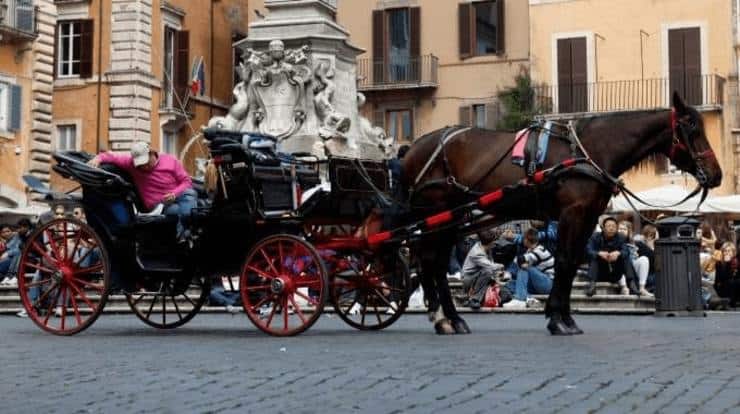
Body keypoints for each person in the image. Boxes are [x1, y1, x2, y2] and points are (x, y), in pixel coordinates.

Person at [89, 141, 195, 238]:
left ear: (152, 153)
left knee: (190, 194)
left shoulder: (170, 160)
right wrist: (98, 158)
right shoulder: (131, 164)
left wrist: (174, 194)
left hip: (179, 195)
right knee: (182, 210)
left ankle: (185, 232)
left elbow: (187, 182)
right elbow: (111, 156)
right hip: (160, 205)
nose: (144, 167)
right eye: (140, 164)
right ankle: (185, 235)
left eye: (146, 162)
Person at [585, 216, 639, 297]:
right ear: (603, 228)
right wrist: (599, 254)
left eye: (613, 226)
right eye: (609, 226)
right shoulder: (595, 237)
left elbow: (626, 251)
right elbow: (588, 251)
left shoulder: (621, 237)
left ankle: (631, 284)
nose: (611, 228)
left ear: (616, 228)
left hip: (615, 273)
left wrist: (618, 253)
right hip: (599, 273)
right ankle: (592, 285)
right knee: (595, 257)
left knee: (625, 257)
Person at [503, 229, 554, 309]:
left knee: (525, 268)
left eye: (523, 238)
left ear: (526, 240)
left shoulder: (540, 250)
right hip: (537, 284)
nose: (522, 240)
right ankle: (529, 299)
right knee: (509, 284)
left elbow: (520, 260)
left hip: (549, 284)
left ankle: (520, 299)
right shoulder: (530, 250)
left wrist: (508, 272)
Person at [461, 229, 504, 310]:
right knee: (487, 271)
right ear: (490, 242)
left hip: (478, 276)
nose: (495, 243)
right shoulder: (477, 253)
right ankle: (474, 299)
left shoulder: (486, 248)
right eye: (494, 241)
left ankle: (473, 299)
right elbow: (490, 266)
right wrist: (501, 266)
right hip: (468, 278)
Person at [618, 221, 653, 297]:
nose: (621, 231)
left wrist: (649, 245)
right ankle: (624, 288)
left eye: (624, 229)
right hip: (620, 269)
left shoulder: (635, 243)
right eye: (619, 229)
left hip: (633, 268)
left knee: (644, 259)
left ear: (628, 231)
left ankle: (642, 288)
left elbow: (651, 256)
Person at [0, 219, 32, 287]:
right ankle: (9, 276)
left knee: (18, 253)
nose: (6, 233)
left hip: (19, 258)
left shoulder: (18, 236)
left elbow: (18, 249)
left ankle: (11, 276)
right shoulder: (14, 237)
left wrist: (7, 253)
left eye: (8, 231)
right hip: (10, 259)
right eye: (3, 232)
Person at [714, 242, 740, 307]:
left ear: (733, 252)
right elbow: (720, 279)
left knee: (734, 282)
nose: (727, 253)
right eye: (725, 251)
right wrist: (727, 264)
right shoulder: (719, 264)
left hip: (735, 288)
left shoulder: (737, 263)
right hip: (724, 288)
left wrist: (728, 264)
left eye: (729, 251)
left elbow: (733, 277)